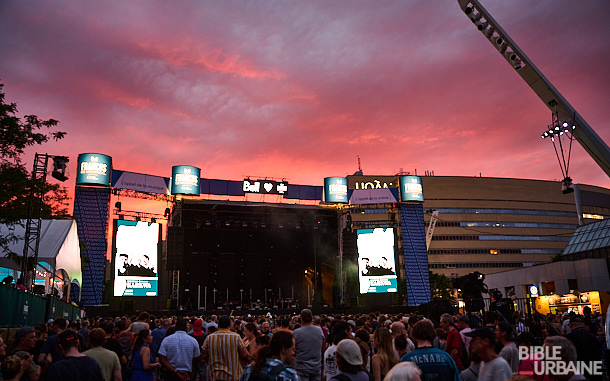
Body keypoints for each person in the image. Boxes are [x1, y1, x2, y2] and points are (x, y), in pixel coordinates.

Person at [202, 315, 249, 381]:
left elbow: (203, 358)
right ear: (230, 324)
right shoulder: (236, 337)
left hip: (214, 376)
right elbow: (245, 355)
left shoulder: (209, 338)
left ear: (218, 324)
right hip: (233, 376)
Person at [293, 309, 325, 381]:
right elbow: (322, 346)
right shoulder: (319, 330)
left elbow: (293, 349)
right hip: (316, 366)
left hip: (302, 367)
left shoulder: (296, 332)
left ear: (301, 318)